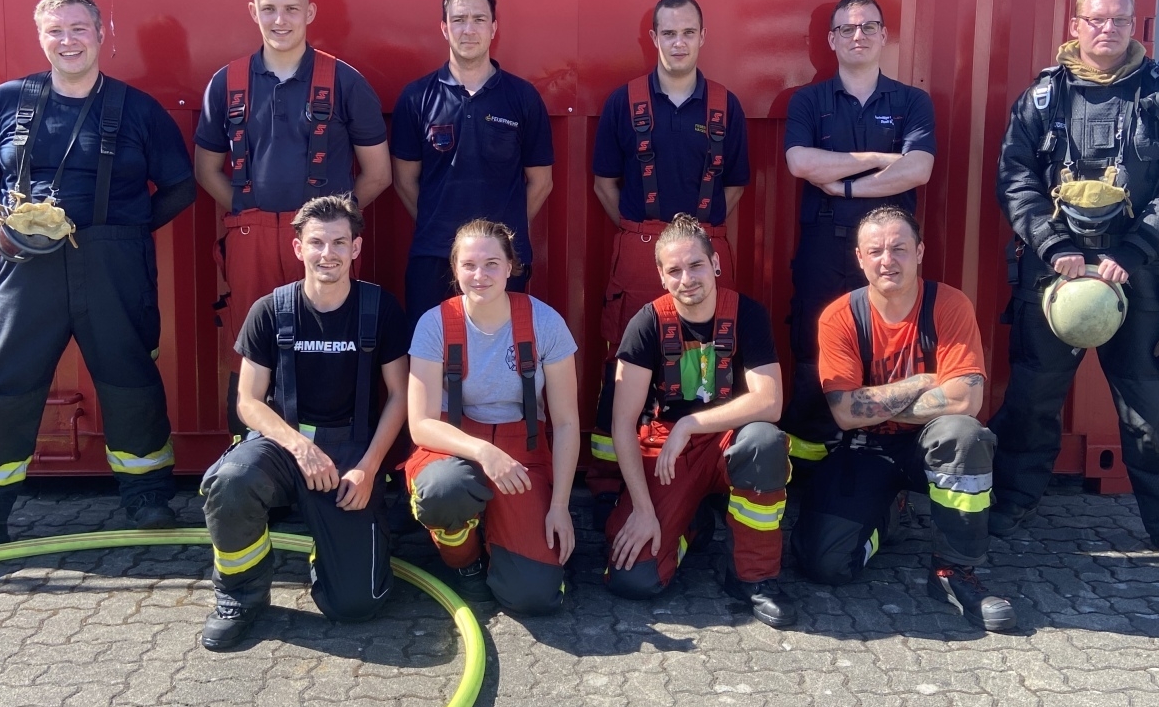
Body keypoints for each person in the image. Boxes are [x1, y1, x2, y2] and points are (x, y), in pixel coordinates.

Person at [0, 0, 196, 553]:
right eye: (56, 31)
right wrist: (14, 224)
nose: (68, 41)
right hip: (29, 268)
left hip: (114, 267)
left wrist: (127, 230)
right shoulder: (6, 102)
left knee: (129, 379)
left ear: (101, 35)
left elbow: (179, 187)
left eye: (78, 29)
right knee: (4, 381)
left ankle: (147, 498)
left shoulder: (139, 110)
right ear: (41, 37)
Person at [988, 0, 1159, 573]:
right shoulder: (1041, 99)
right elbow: (1014, 177)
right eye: (1096, 19)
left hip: (1138, 273)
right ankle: (1010, 502)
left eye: (1119, 20)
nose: (1107, 29)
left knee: (1152, 410)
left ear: (1134, 26)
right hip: (1052, 273)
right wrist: (1052, 243)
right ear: (1076, 24)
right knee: (1032, 399)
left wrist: (1136, 250)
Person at [197, 195, 410, 650]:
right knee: (230, 481)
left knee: (356, 605)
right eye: (316, 242)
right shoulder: (270, 310)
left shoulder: (380, 309)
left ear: (356, 248)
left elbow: (400, 396)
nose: (327, 253)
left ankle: (328, 549)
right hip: (285, 445)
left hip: (351, 454)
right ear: (298, 248)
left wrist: (369, 468)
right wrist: (300, 446)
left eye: (339, 242)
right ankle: (241, 597)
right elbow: (248, 402)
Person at [193, 0, 391, 438]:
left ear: (310, 12)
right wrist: (244, 211)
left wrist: (333, 222)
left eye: (291, 9)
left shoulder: (345, 81)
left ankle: (343, 450)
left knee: (334, 340)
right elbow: (206, 169)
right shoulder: (227, 82)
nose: (279, 20)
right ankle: (249, 454)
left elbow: (379, 174)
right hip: (251, 238)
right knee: (250, 346)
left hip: (324, 241)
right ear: (252, 12)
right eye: (269, 9)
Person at [797, 206, 1015, 633]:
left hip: (928, 445)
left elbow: (966, 399)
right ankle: (889, 515)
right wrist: (922, 381)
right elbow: (844, 413)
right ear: (859, 258)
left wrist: (870, 403)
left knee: (964, 434)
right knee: (826, 565)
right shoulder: (840, 317)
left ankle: (953, 571)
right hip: (867, 449)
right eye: (875, 251)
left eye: (899, 248)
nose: (887, 260)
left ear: (919, 252)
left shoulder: (948, 304)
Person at [587, 0, 751, 499]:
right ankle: (611, 481)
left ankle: (701, 474)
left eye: (688, 33)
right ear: (653, 38)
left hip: (706, 248)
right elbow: (604, 185)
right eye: (669, 33)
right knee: (627, 360)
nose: (679, 42)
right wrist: (646, 236)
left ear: (702, 37)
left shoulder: (726, 105)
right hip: (639, 250)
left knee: (709, 356)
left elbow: (734, 186)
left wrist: (695, 240)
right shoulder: (623, 102)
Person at [606, 215, 796, 629]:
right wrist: (643, 509)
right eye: (674, 270)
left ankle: (754, 577)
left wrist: (690, 424)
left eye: (695, 265)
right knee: (634, 578)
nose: (686, 279)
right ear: (661, 276)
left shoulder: (747, 314)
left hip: (730, 441)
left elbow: (770, 402)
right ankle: (691, 524)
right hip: (669, 453)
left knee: (765, 442)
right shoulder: (646, 323)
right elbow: (622, 423)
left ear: (715, 264)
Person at [781, 0, 936, 461]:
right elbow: (800, 163)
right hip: (824, 246)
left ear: (884, 35)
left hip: (891, 249)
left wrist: (845, 185)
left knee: (892, 343)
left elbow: (918, 169)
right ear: (832, 40)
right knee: (813, 349)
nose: (858, 36)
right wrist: (878, 159)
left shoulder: (912, 101)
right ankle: (807, 460)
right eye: (847, 29)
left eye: (868, 26)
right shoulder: (808, 101)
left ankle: (885, 457)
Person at [404, 220, 580, 613]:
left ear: (510, 267)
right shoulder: (434, 324)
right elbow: (421, 424)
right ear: (455, 269)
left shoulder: (545, 322)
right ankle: (465, 563)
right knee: (443, 491)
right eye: (468, 265)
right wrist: (484, 452)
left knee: (534, 596)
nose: (479, 275)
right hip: (453, 447)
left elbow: (567, 422)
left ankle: (499, 534)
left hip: (523, 453)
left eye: (491, 264)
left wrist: (560, 506)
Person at [391, 0, 555, 324]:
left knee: (499, 349)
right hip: (433, 255)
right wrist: (438, 224)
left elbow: (541, 182)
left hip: (502, 259)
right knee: (430, 350)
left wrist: (502, 234)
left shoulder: (523, 97)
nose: (469, 29)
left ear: (493, 28)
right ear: (444, 27)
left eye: (479, 19)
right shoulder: (416, 97)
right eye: (459, 19)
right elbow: (404, 180)